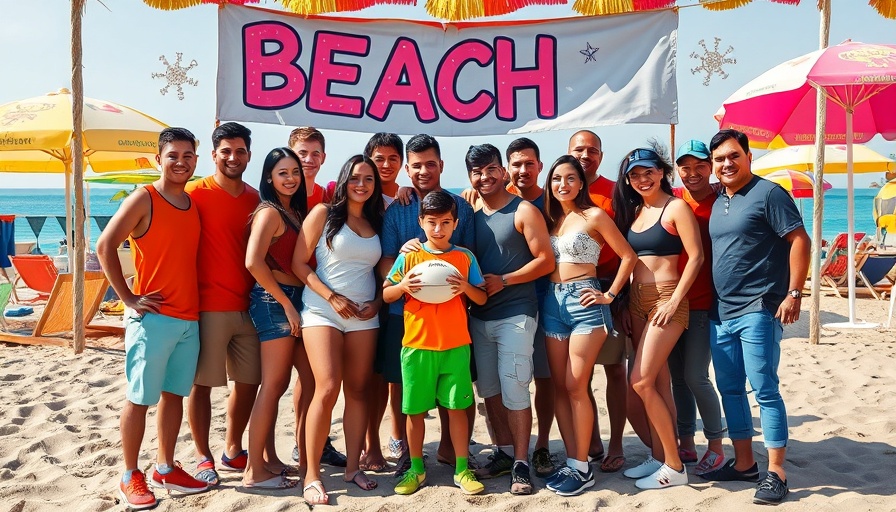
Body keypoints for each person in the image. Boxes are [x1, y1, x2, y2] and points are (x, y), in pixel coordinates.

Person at [97, 127, 209, 509]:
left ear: (197, 159)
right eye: (173, 155)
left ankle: (164, 466)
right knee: (139, 398)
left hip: (188, 318)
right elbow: (104, 245)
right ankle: (129, 474)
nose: (181, 162)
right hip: (154, 318)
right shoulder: (144, 198)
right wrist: (128, 297)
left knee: (174, 395)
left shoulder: (193, 203)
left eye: (188, 156)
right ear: (158, 159)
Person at [702, 129, 810, 505]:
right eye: (719, 159)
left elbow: (800, 240)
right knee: (729, 389)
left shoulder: (770, 193)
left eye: (733, 156)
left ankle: (776, 471)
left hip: (759, 308)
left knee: (764, 389)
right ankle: (745, 463)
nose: (726, 164)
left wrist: (794, 292)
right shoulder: (719, 200)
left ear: (748, 156)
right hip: (721, 312)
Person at [376, 134, 476, 477]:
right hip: (406, 316)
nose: (423, 171)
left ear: (441, 165)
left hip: (453, 319)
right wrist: (404, 266)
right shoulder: (398, 208)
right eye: (416, 165)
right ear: (407, 168)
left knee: (456, 394)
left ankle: (453, 452)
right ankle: (405, 450)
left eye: (430, 164)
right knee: (401, 384)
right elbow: (387, 261)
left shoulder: (462, 206)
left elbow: (466, 258)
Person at [540, 155, 636, 496]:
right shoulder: (551, 219)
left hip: (585, 304)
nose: (562, 184)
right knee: (560, 387)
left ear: (581, 182)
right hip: (552, 304)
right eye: (556, 179)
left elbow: (628, 256)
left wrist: (609, 294)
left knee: (575, 384)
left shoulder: (594, 215)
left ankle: (582, 468)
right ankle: (573, 460)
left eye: (569, 178)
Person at [292, 155, 385, 504]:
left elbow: (380, 271)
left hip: (365, 315)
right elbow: (298, 263)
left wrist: (376, 303)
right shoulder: (323, 214)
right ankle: (312, 475)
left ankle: (352, 469)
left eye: (369, 179)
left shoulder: (379, 220)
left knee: (359, 390)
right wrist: (332, 298)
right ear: (344, 180)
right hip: (323, 311)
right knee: (328, 386)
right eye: (356, 178)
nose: (362, 184)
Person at [384, 190, 488, 496]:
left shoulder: (464, 257)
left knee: (457, 409)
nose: (438, 229)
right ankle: (416, 468)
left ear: (455, 223)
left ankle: (461, 468)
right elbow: (387, 294)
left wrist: (466, 287)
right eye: (432, 222)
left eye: (445, 222)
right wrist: (402, 285)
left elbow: (481, 298)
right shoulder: (410, 256)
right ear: (421, 222)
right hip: (417, 346)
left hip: (456, 345)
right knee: (414, 411)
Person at [464, 144, 554, 495]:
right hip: (479, 316)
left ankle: (520, 462)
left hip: (517, 313)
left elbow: (546, 261)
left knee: (515, 388)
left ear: (503, 172)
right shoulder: (470, 213)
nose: (484, 177)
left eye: (490, 170)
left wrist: (506, 280)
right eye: (476, 172)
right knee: (489, 391)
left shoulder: (524, 211)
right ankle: (503, 453)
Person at [613, 146, 703, 490]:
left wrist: (675, 299)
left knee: (640, 380)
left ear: (661, 172)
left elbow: (695, 258)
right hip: (637, 301)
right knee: (657, 383)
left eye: (648, 172)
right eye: (634, 174)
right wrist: (623, 302)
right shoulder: (636, 211)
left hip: (668, 298)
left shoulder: (675, 206)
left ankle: (676, 466)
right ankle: (661, 453)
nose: (642, 179)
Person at [185, 122, 261, 486]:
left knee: (249, 382)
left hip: (250, 305)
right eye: (226, 151)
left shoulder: (255, 198)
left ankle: (233, 448)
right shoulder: (192, 193)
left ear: (249, 154)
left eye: (240, 151)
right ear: (213, 155)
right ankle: (203, 456)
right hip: (207, 306)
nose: (233, 157)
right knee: (203, 385)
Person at [567, 130, 635, 472]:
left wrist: (618, 297)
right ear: (568, 153)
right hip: (571, 292)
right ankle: (592, 438)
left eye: (592, 150)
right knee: (579, 375)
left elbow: (630, 246)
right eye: (579, 149)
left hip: (610, 288)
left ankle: (617, 443)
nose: (585, 154)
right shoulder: (562, 188)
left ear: (601, 156)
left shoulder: (615, 191)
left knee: (614, 371)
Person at [242, 147, 308, 489]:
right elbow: (253, 262)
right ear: (269, 177)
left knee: (287, 383)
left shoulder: (292, 210)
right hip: (274, 301)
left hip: (291, 299)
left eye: (295, 172)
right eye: (283, 173)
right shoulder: (269, 213)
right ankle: (254, 471)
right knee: (272, 386)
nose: (291, 178)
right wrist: (285, 303)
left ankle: (269, 459)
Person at [287, 126, 347, 469]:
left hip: (320, 292)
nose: (308, 160)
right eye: (301, 153)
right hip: (289, 291)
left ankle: (315, 442)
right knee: (301, 376)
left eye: (314, 154)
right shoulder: (283, 192)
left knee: (313, 374)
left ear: (323, 158)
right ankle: (301, 441)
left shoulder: (328, 196)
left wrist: (398, 192)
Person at [670, 140, 726, 476]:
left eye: (699, 166)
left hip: (702, 303)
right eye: (685, 167)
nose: (692, 173)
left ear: (711, 167)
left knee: (696, 376)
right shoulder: (673, 201)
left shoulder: (722, 201)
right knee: (678, 378)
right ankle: (686, 441)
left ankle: (716, 445)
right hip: (669, 303)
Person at [505, 137, 557, 478]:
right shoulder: (491, 199)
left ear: (539, 166)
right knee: (511, 380)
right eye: (516, 164)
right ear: (508, 167)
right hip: (508, 307)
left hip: (549, 299)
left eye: (529, 163)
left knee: (546, 379)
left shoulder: (553, 201)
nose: (523, 170)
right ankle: (509, 448)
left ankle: (541, 446)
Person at [361, 133, 405, 472]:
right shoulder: (357, 197)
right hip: (358, 301)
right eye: (379, 158)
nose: (386, 165)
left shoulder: (405, 200)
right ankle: (369, 445)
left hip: (390, 301)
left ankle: (395, 438)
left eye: (393, 158)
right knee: (368, 380)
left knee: (393, 376)